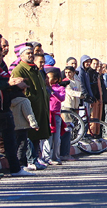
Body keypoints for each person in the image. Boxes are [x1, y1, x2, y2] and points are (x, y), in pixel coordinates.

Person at [11, 45, 51, 171]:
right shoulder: (20, 70)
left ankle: (35, 158)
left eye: (31, 53)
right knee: (28, 135)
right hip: (27, 107)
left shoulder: (35, 70)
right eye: (28, 53)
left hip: (39, 107)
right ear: (21, 56)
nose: (30, 55)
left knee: (37, 135)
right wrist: (35, 98)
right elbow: (23, 90)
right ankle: (28, 161)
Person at [0, 36, 35, 177]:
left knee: (10, 140)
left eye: (5, 46)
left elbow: (6, 80)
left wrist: (16, 85)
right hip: (7, 106)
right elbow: (6, 82)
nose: (4, 49)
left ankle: (15, 168)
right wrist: (11, 84)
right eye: (2, 46)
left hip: (5, 106)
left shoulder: (2, 64)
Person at [42, 68, 66, 165]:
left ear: (56, 79)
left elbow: (61, 98)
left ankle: (56, 156)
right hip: (47, 114)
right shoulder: (44, 88)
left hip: (56, 115)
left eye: (49, 78)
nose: (47, 80)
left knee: (56, 139)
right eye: (46, 78)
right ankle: (46, 157)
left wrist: (53, 91)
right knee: (47, 138)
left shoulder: (60, 88)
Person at [60, 66, 81, 161]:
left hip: (74, 106)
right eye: (66, 72)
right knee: (67, 129)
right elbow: (70, 92)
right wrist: (81, 95)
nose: (68, 74)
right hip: (67, 106)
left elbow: (79, 90)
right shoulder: (65, 82)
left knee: (72, 127)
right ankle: (65, 153)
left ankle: (67, 150)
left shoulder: (76, 81)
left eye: (70, 72)